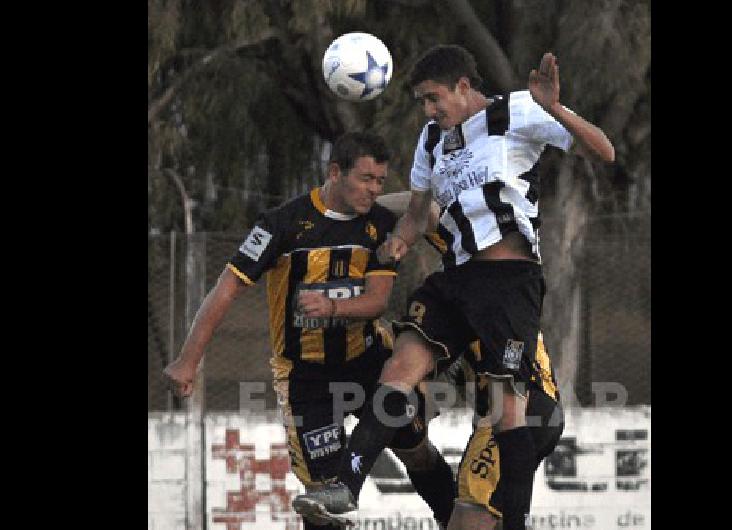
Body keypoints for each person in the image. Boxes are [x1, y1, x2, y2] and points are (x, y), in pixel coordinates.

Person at [292, 45, 613, 530]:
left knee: (509, 411)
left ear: (464, 86)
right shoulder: (430, 140)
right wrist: (397, 242)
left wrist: (555, 109)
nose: (428, 110)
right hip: (457, 279)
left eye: (433, 98)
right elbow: (421, 213)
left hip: (509, 281)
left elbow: (603, 151)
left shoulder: (519, 110)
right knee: (401, 364)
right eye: (422, 101)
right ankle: (345, 486)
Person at [162, 132, 455, 530]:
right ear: (335, 172)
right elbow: (226, 288)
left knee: (416, 451)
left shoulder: (381, 226)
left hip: (369, 364)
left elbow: (377, 302)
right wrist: (187, 360)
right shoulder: (282, 225)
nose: (374, 189)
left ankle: (460, 521)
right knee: (322, 498)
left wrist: (333, 307)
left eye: (380, 182)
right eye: (366, 178)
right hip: (306, 378)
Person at [377, 191, 565, 530]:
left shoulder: (480, 260)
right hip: (517, 412)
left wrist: (354, 206)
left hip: (525, 406)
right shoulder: (446, 302)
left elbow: (426, 208)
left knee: (469, 519)